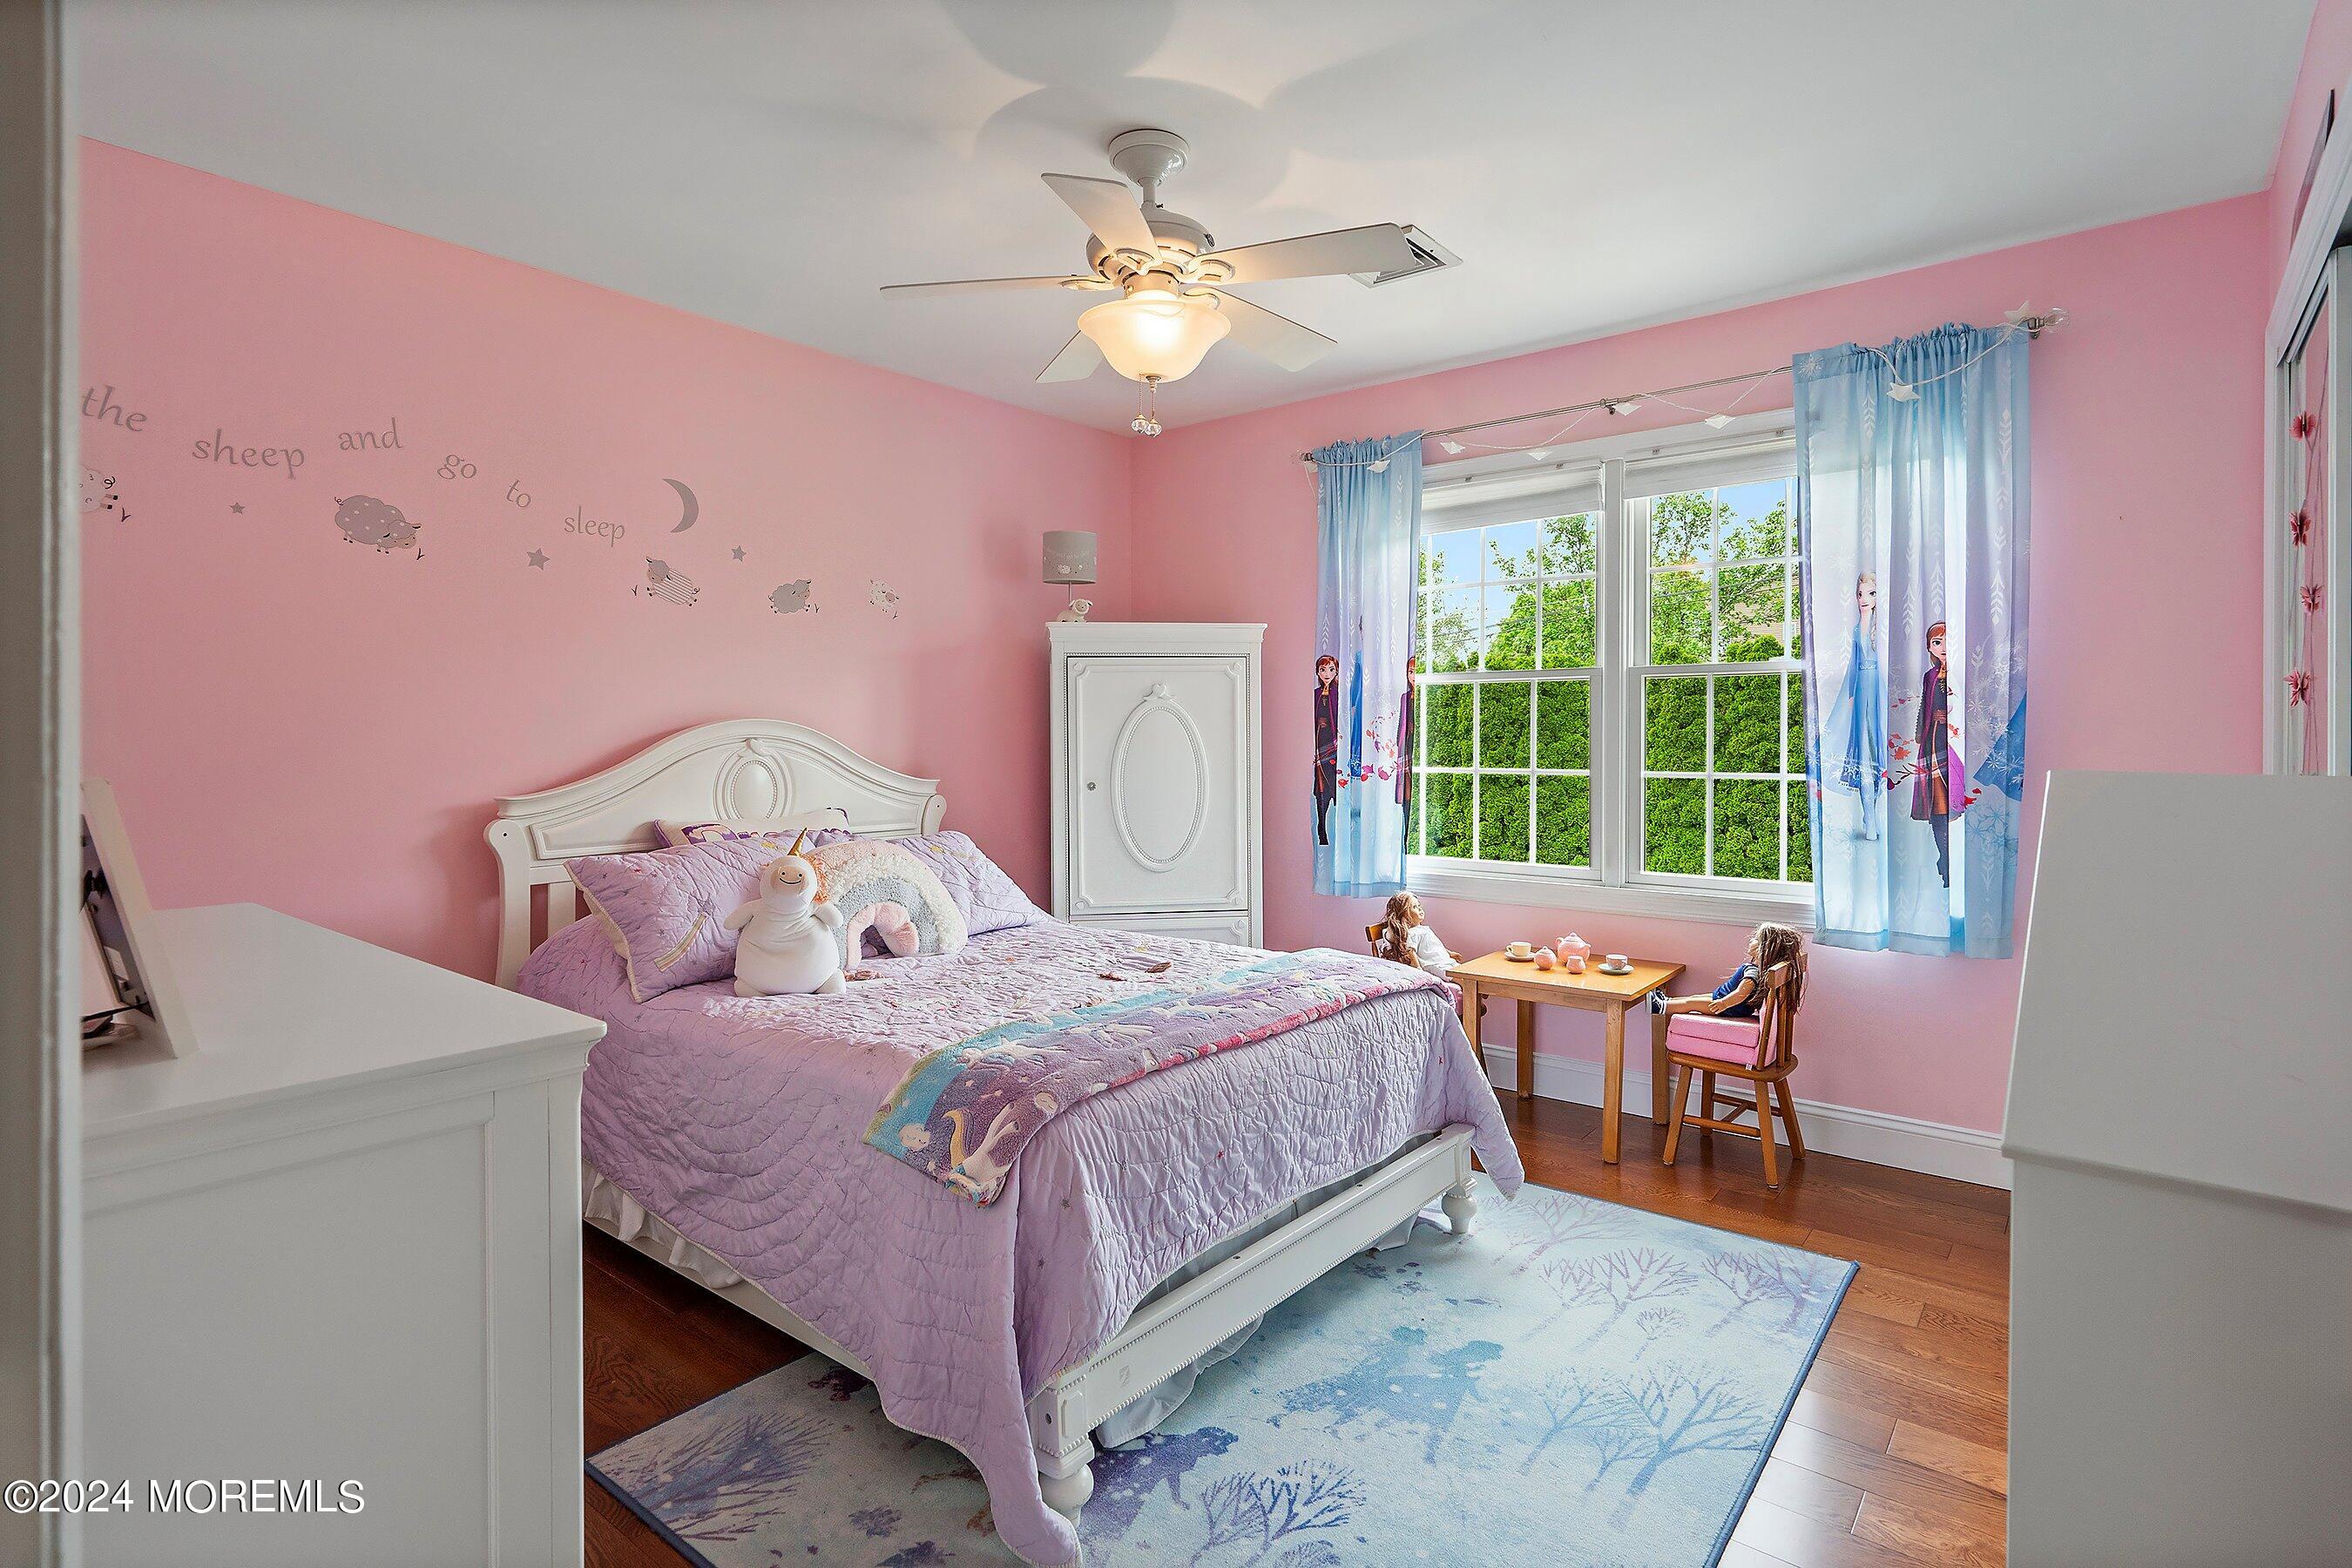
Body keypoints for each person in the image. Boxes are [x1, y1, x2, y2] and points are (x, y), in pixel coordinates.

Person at [1823, 571, 1888, 839]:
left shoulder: (1881, 626)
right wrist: (1851, 693)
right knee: (1862, 752)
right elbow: (1853, 663)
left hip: (1879, 688)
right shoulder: (1857, 628)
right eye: (1860, 594)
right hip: (1862, 688)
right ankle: (1870, 820)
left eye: (1871, 593)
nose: (1864, 599)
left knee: (1878, 751)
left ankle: (1871, 808)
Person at [1649, 923, 1804, 1018]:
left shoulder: (1754, 972)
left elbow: (1742, 993)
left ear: (1765, 948)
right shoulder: (1755, 969)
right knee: (1695, 997)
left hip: (1731, 1007)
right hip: (1727, 1001)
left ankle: (1661, 1007)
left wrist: (1724, 1004)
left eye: (1756, 939)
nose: (1751, 940)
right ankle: (1667, 1000)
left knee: (1692, 1003)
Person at [1911, 620, 1965, 886]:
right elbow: (1925, 703)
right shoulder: (1930, 676)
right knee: (1936, 808)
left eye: (1946, 641)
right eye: (1936, 642)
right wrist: (1923, 729)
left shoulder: (1958, 672)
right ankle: (1944, 859)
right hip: (1931, 742)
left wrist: (1951, 716)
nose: (1942, 648)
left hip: (1951, 744)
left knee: (1950, 804)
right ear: (1929, 648)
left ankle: (1951, 861)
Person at [1373, 890, 1452, 978]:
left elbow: (1433, 945)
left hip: (1444, 961)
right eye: (1414, 907)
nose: (1419, 908)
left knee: (1465, 974)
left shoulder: (1421, 930)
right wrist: (1417, 967)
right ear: (1404, 915)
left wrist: (1449, 953)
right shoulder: (1412, 934)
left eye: (1419, 905)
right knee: (1462, 979)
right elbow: (1410, 950)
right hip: (1435, 965)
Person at [1313, 653, 1341, 846]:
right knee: (1320, 788)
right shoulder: (1315, 694)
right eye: (1323, 670)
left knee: (1334, 785)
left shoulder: (1339, 694)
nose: (1327, 673)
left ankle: (1336, 831)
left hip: (1334, 744)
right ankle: (1321, 831)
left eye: (1331, 669)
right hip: (1318, 744)